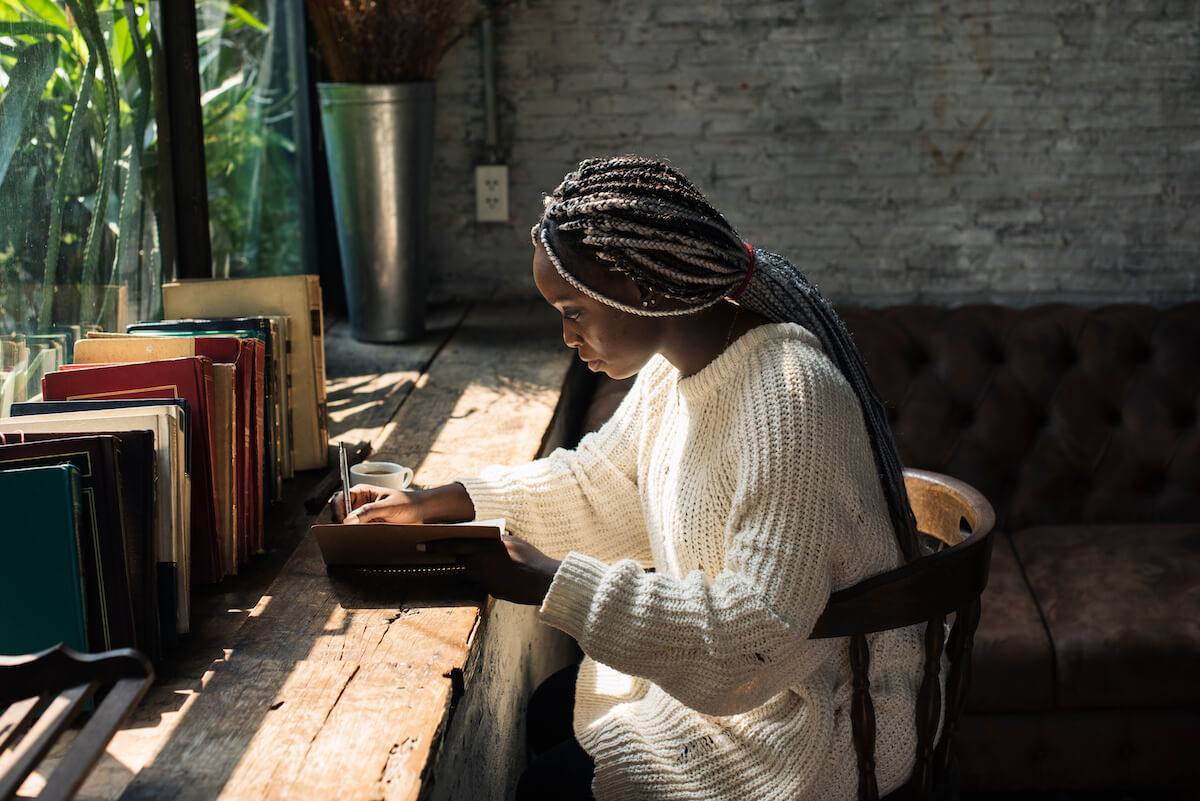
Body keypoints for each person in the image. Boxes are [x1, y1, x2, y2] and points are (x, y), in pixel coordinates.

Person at [334, 155, 928, 801]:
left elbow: (759, 633)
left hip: (817, 719)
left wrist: (550, 579)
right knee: (548, 708)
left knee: (545, 787)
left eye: (573, 310)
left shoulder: (788, 394)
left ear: (639, 289)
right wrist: (439, 501)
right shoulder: (678, 368)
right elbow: (605, 485)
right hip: (749, 689)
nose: (565, 334)